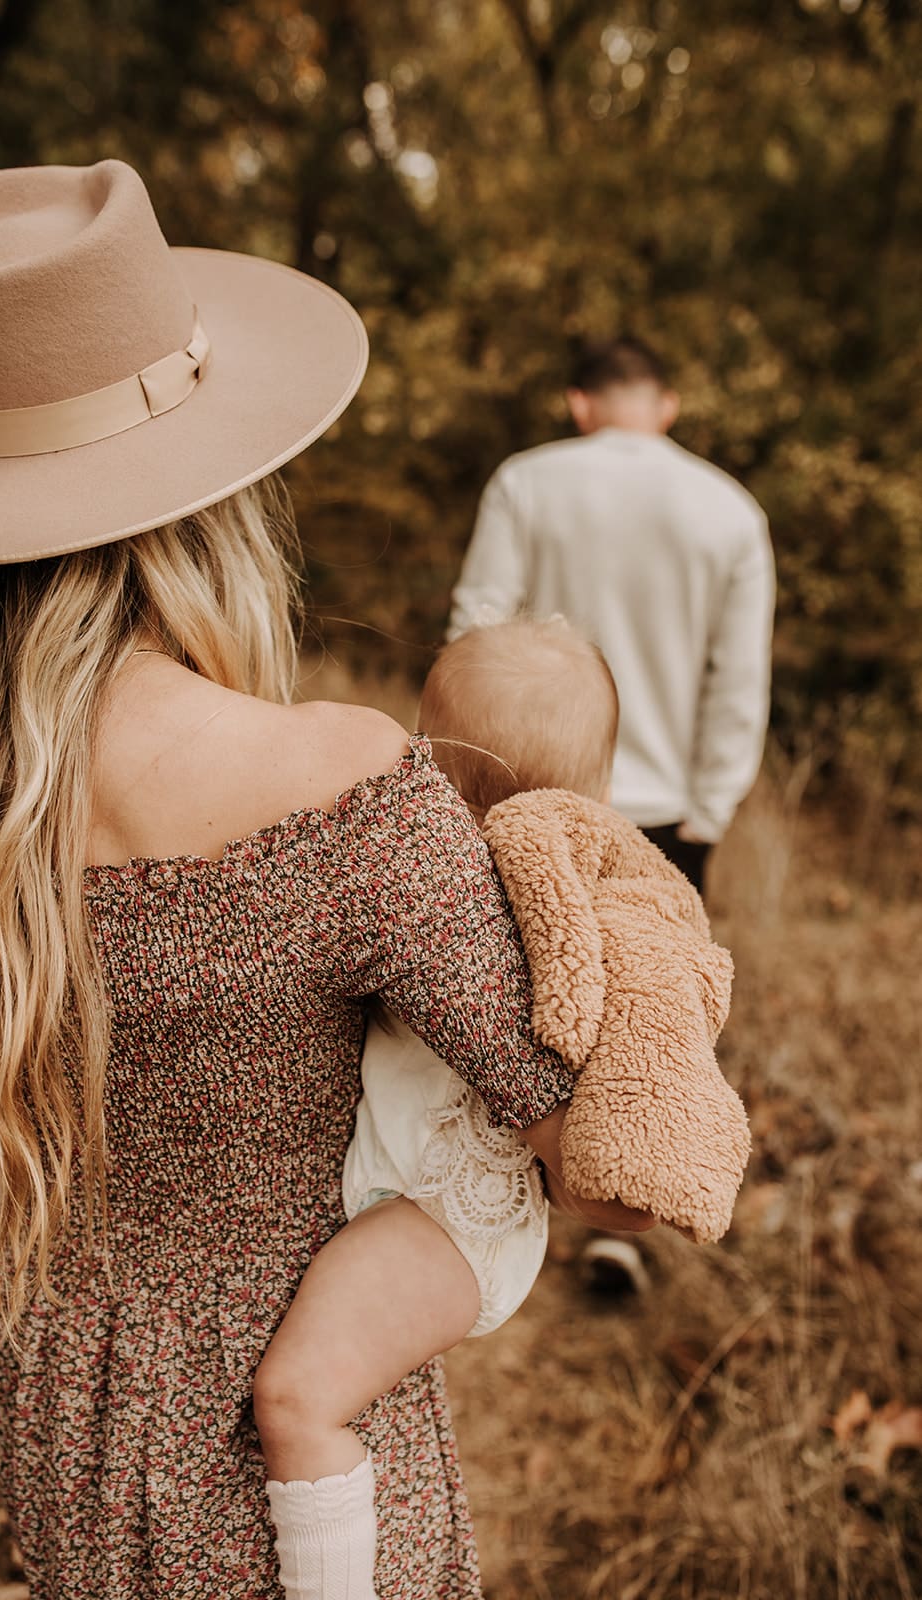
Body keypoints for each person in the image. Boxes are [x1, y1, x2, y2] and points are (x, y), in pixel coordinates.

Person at [0, 160, 645, 1600]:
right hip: (291, 1445)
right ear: (205, 496)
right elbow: (596, 1160)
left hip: (57, 1402)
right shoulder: (345, 785)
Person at [254, 618, 749, 1598]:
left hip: (449, 1212)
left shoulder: (543, 898)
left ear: (432, 759)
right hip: (408, 1183)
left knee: (296, 1398)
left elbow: (640, 1020)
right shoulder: (442, 871)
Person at [448, 337, 777, 896]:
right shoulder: (732, 508)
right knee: (655, 978)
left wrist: (464, 784)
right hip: (668, 813)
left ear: (578, 403)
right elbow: (740, 678)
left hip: (530, 802)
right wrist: (709, 812)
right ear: (667, 406)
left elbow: (474, 638)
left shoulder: (524, 482)